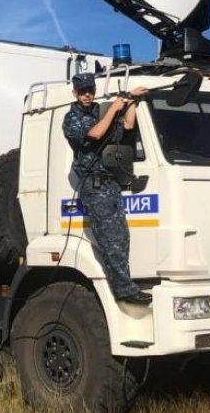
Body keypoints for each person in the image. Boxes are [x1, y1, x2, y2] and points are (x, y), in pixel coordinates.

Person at [62, 72, 152, 305]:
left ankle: (125, 285)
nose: (87, 95)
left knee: (121, 237)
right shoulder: (72, 118)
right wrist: (114, 108)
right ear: (75, 93)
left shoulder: (101, 112)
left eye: (90, 90)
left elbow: (128, 125)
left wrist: (131, 101)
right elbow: (96, 133)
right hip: (94, 186)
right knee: (110, 239)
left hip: (110, 183)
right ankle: (124, 290)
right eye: (82, 91)